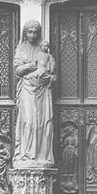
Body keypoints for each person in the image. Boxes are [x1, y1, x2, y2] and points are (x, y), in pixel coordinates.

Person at [13, 20, 56, 168]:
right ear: (25, 33)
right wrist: (29, 66)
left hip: (42, 90)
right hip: (26, 87)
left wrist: (49, 78)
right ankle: (26, 155)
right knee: (29, 121)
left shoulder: (43, 49)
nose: (32, 35)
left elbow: (51, 71)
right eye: (29, 32)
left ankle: (40, 156)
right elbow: (17, 70)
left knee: (41, 122)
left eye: (35, 32)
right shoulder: (21, 48)